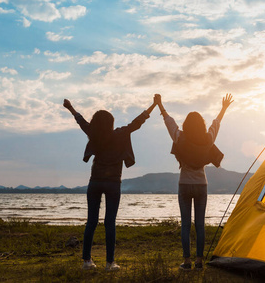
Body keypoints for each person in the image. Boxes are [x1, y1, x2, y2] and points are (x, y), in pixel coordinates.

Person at [63, 97, 157, 271]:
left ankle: (86, 261)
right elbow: (137, 122)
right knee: (109, 223)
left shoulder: (93, 133)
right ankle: (109, 263)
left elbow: (80, 120)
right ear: (111, 123)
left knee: (91, 222)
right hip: (113, 183)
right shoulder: (120, 134)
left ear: (96, 123)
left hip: (95, 182)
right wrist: (154, 105)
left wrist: (70, 107)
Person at [154, 93, 233, 270]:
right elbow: (216, 125)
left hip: (184, 183)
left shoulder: (180, 137)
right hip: (201, 184)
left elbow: (169, 122)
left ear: (186, 125)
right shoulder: (208, 139)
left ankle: (187, 262)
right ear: (201, 125)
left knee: (185, 224)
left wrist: (160, 105)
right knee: (199, 225)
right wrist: (223, 108)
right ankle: (199, 262)